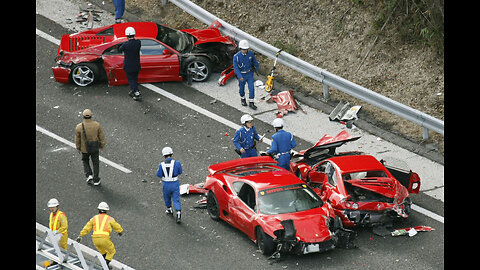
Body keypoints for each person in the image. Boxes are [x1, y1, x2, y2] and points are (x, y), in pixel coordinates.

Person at [76, 202, 123, 267]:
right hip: (104, 239)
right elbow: (116, 226)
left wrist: (81, 235)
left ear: (98, 210)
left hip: (95, 239)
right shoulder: (109, 218)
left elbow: (87, 227)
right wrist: (120, 231)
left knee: (103, 252)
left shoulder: (94, 218)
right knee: (112, 251)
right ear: (107, 210)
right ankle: (105, 265)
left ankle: (106, 264)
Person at [75, 109, 105, 186]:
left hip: (84, 149)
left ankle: (89, 174)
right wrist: (102, 145)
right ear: (91, 116)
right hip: (94, 148)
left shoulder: (79, 127)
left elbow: (77, 139)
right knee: (95, 163)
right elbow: (101, 136)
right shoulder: (97, 125)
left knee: (85, 160)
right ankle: (96, 179)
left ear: (83, 117)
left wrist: (78, 147)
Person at [156, 147, 183, 223]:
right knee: (176, 199)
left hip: (166, 184)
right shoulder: (177, 163)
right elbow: (180, 172)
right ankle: (178, 213)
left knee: (167, 197)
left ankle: (169, 209)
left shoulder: (161, 165)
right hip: (175, 183)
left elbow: (159, 175)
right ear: (171, 154)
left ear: (164, 155)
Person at [233, 40, 260, 110]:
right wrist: (239, 76)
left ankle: (251, 102)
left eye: (246, 49)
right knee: (241, 89)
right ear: (240, 49)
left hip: (249, 74)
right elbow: (236, 67)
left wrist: (257, 69)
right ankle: (243, 98)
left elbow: (255, 62)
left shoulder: (251, 54)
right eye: (243, 49)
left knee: (251, 88)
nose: (245, 51)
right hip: (242, 75)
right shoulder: (236, 57)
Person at [119, 26, 142, 101]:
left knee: (131, 80)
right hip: (136, 65)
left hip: (128, 66)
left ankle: (136, 92)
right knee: (135, 79)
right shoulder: (138, 43)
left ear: (126, 35)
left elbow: (120, 49)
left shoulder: (125, 45)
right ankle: (133, 90)